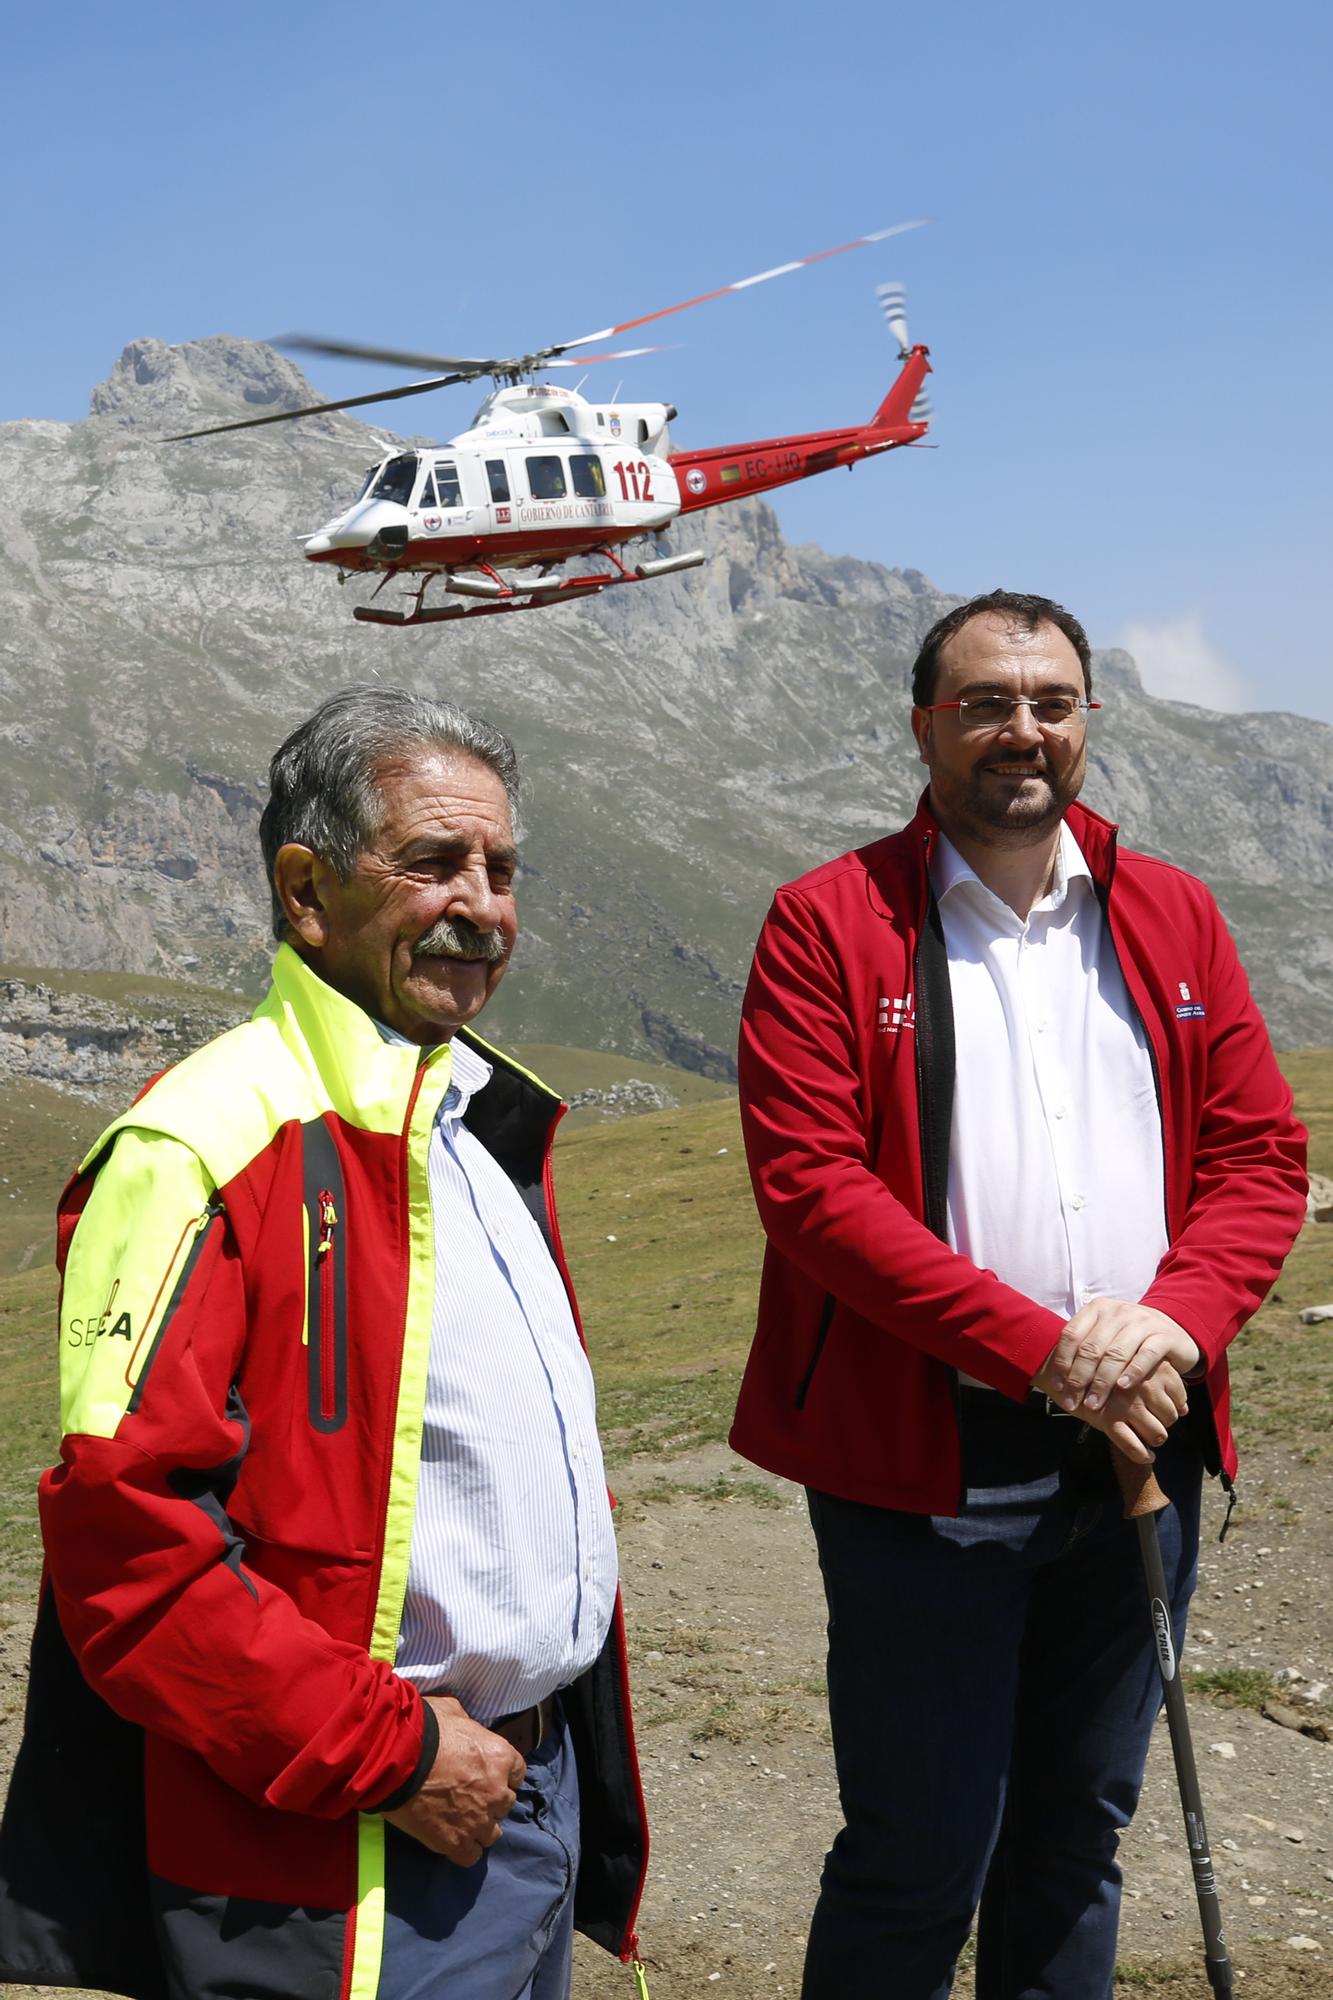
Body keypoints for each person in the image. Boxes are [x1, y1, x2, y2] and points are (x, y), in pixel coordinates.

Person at [0, 687, 648, 2000]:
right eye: (431, 863)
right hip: (349, 1844)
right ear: (306, 891)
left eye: (503, 869)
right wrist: (398, 1757)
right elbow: (131, 1552)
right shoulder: (206, 1145)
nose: (483, 904)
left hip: (523, 1795)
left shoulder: (471, 1130)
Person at [730, 590, 1307, 2000]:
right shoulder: (828, 921)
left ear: (1087, 722)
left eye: (1050, 702)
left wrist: (1169, 1322)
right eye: (985, 702)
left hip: (1138, 1455)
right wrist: (1045, 1350)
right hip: (924, 1469)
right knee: (919, 1852)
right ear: (925, 725)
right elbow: (812, 1189)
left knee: (1071, 1846)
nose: (1021, 731)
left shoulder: (1165, 910)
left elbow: (1257, 1154)